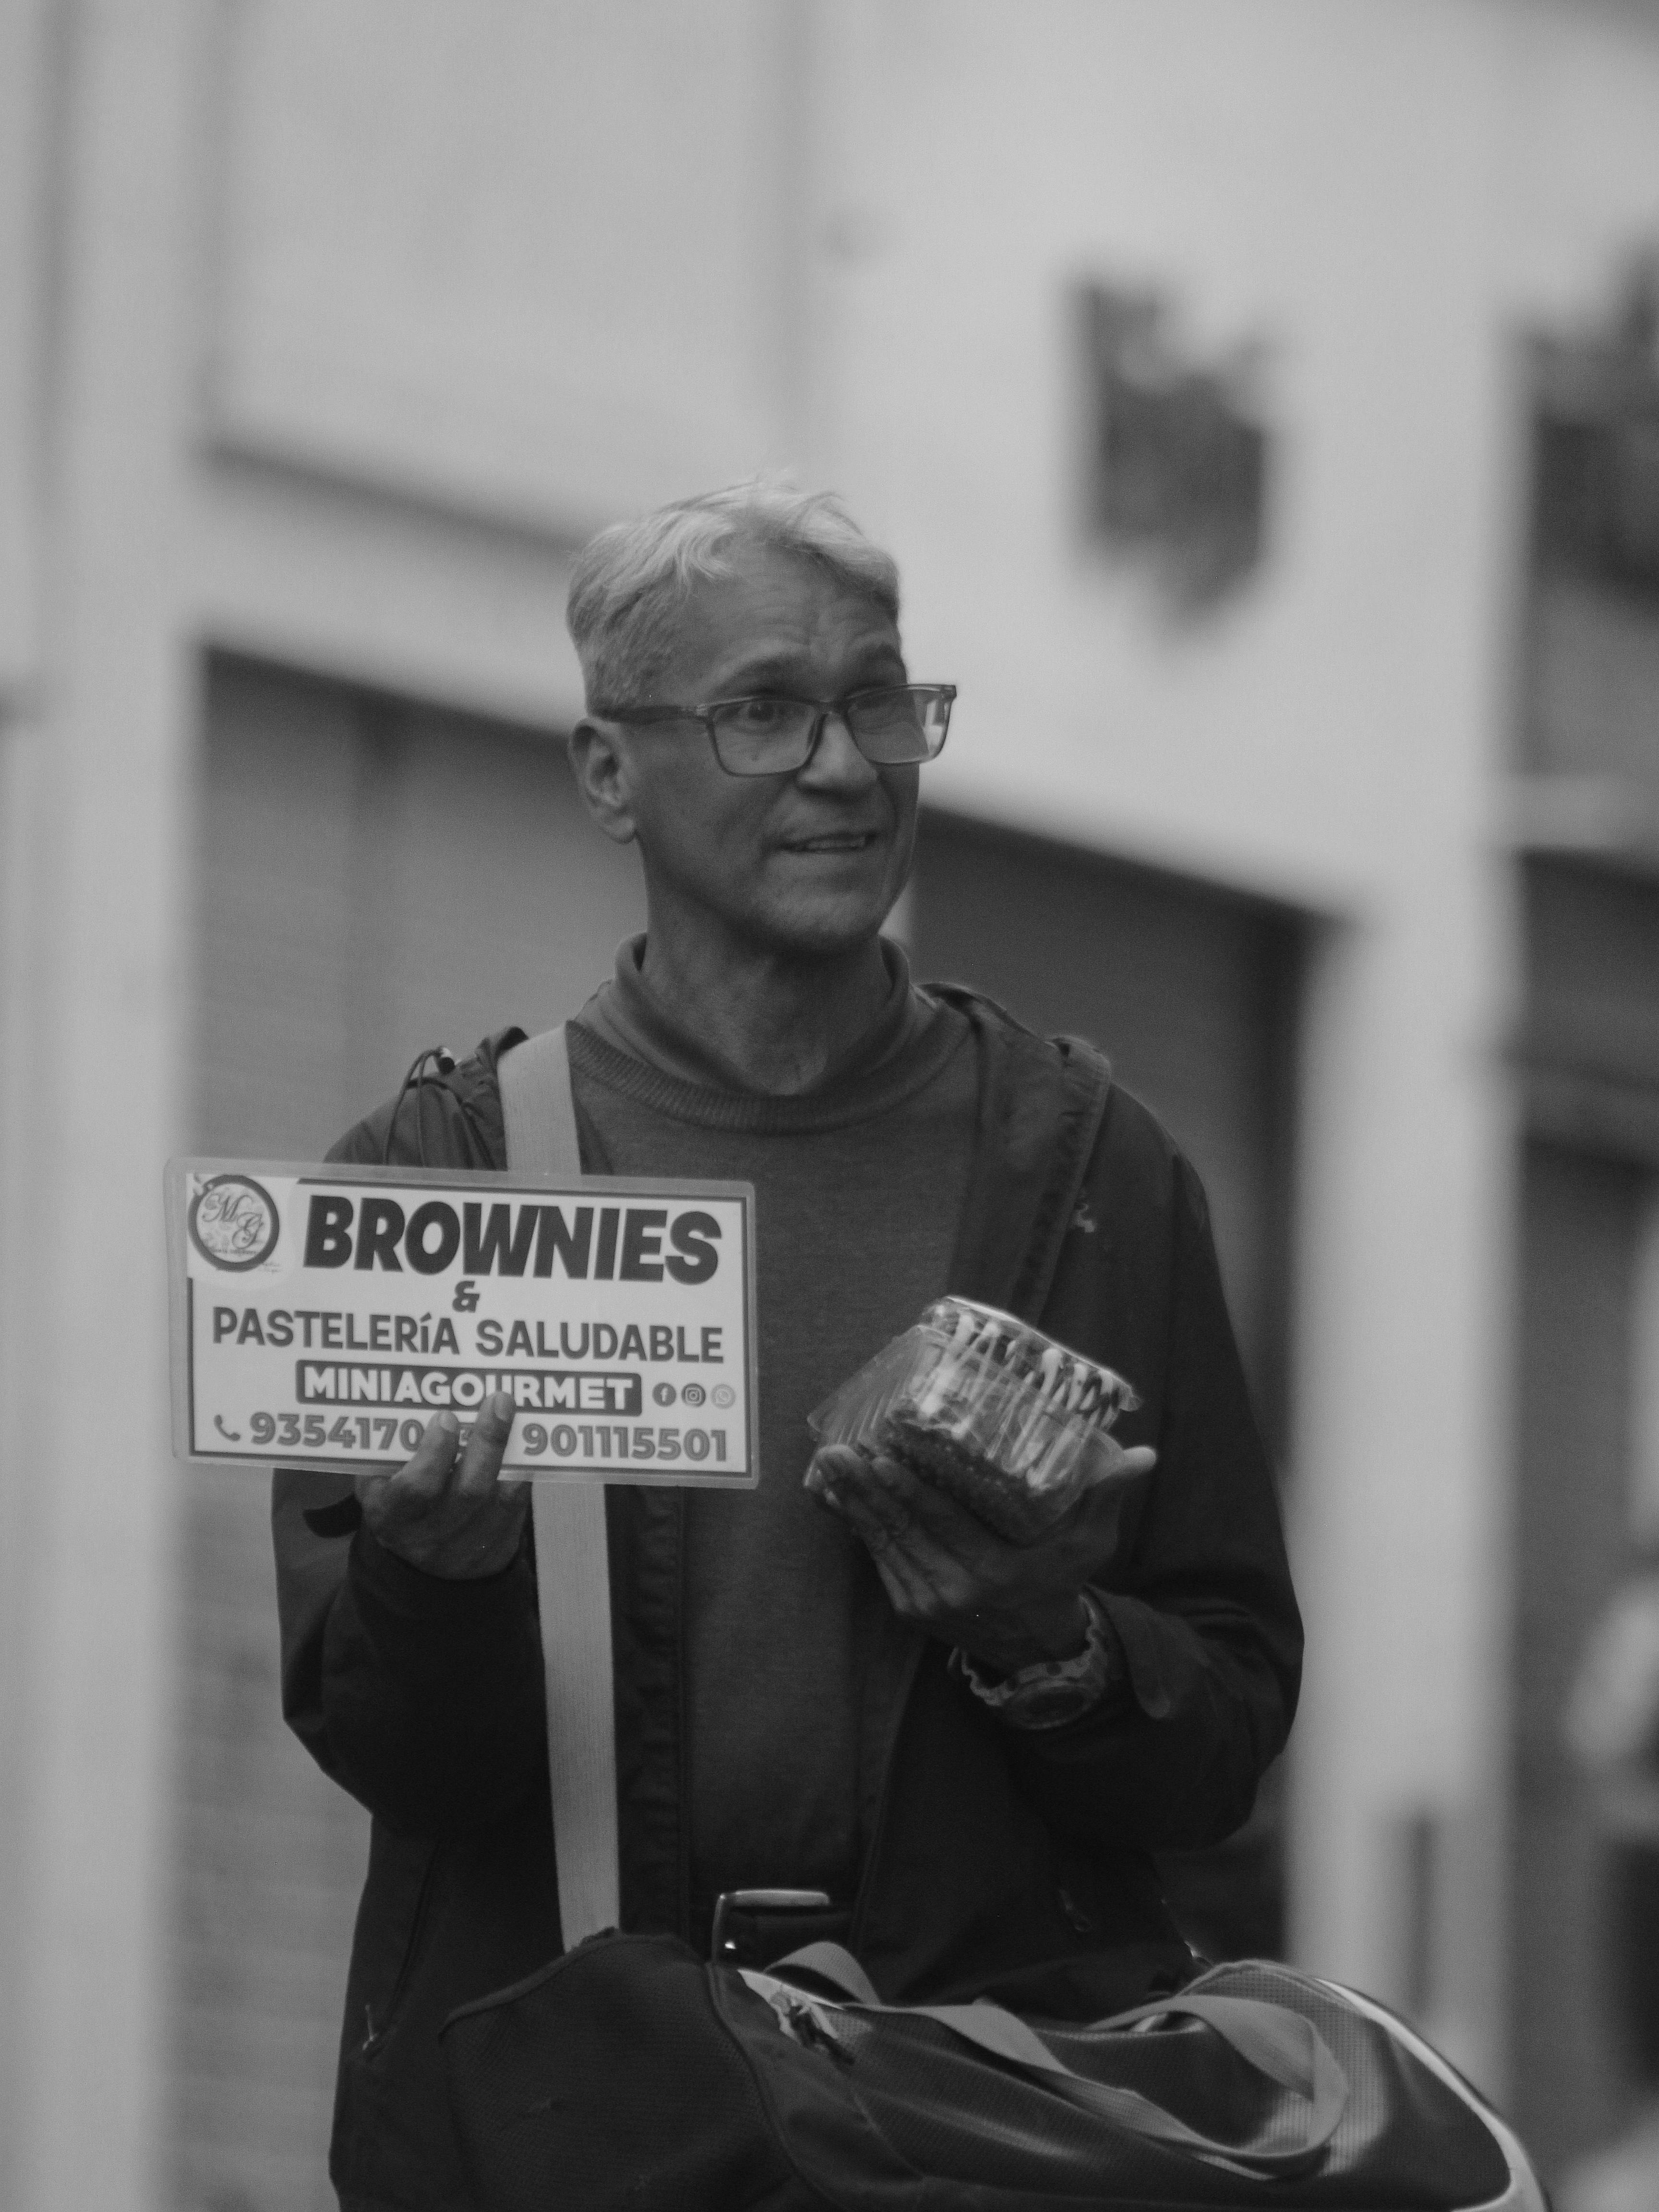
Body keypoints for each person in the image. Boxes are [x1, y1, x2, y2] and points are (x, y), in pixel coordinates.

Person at [273, 481, 1303, 2212]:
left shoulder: (1093, 1171)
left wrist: (1048, 1643)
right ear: (611, 771)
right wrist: (435, 1583)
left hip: (984, 2122)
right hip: (577, 2128)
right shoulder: (433, 1181)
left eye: (882, 701)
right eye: (764, 711)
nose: (845, 764)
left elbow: (1225, 1734)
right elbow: (390, 1751)